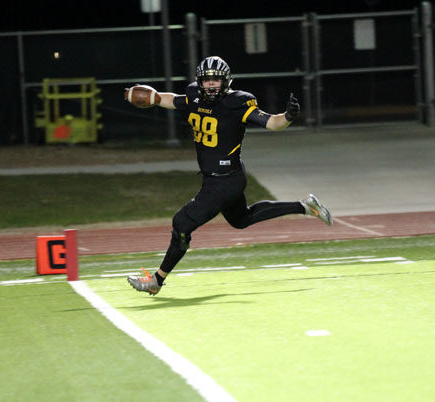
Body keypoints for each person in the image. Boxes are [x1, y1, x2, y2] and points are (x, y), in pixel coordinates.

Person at [126, 56, 332, 295]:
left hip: (225, 181)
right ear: (199, 82)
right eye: (206, 80)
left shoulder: (238, 103)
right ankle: (305, 206)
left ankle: (156, 281)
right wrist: (152, 97)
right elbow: (174, 100)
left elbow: (272, 123)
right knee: (241, 220)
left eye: (216, 80)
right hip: (221, 177)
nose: (211, 85)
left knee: (181, 223)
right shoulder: (194, 96)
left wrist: (287, 117)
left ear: (226, 81)